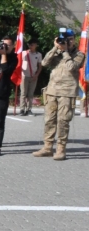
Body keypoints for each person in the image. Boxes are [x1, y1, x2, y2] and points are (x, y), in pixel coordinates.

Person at [33, 28, 86, 160]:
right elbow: (44, 63)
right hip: (52, 90)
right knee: (49, 120)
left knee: (63, 121)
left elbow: (71, 67)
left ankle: (61, 149)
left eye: (70, 39)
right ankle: (47, 147)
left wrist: (65, 52)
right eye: (65, 39)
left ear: (74, 39)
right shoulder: (56, 51)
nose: (67, 41)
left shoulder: (79, 54)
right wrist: (55, 48)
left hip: (67, 92)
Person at [19, 39, 42, 116]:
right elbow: (19, 63)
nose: (31, 46)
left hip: (33, 76)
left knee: (30, 94)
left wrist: (37, 75)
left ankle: (29, 109)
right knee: (23, 93)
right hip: (24, 75)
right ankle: (22, 109)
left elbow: (40, 66)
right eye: (29, 45)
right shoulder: (24, 53)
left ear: (36, 45)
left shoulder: (38, 54)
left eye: (32, 45)